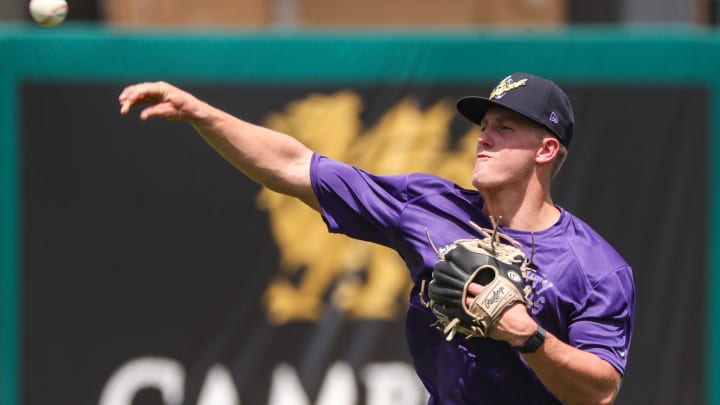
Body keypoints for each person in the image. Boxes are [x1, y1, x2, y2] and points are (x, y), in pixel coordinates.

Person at [119, 72, 635, 405]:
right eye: (484, 125)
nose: (483, 136)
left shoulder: (595, 267)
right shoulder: (431, 205)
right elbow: (297, 166)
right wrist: (202, 114)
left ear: (545, 150)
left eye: (504, 127)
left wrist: (529, 336)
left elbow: (599, 389)